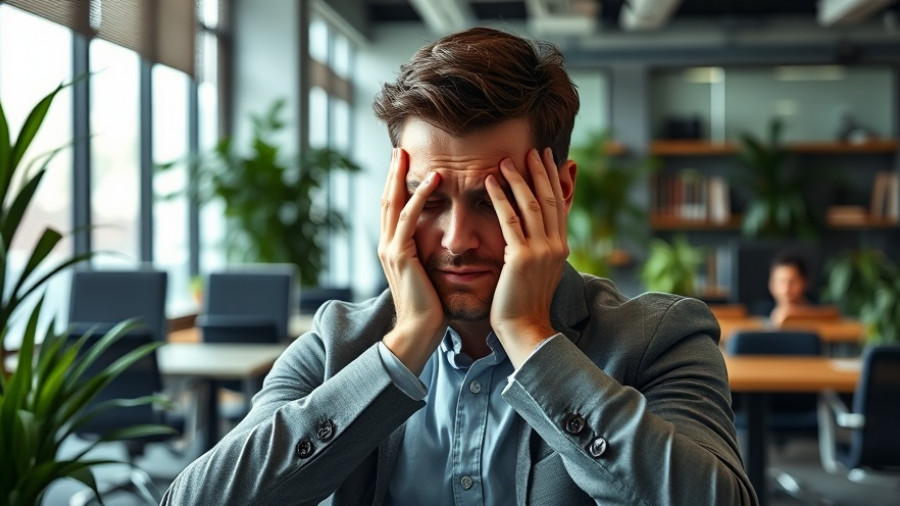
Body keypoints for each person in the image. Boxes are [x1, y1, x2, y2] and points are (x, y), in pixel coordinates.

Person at [162, 27, 756, 505]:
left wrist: (531, 338)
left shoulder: (659, 338)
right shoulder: (340, 343)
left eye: (492, 201)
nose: (456, 240)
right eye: (431, 201)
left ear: (561, 191)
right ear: (397, 198)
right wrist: (400, 351)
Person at [767, 251, 837, 327]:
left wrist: (790, 314)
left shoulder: (819, 310)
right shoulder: (761, 311)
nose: (786, 289)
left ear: (805, 282)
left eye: (792, 282)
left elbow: (834, 313)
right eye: (781, 281)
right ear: (771, 284)